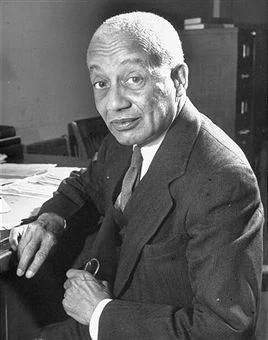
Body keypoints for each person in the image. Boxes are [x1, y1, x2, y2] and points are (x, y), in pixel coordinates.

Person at [9, 11, 264, 340]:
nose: (114, 103)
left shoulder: (223, 180)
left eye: (134, 79)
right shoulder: (125, 139)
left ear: (178, 80)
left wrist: (101, 311)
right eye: (102, 83)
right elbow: (85, 185)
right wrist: (50, 219)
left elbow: (224, 330)